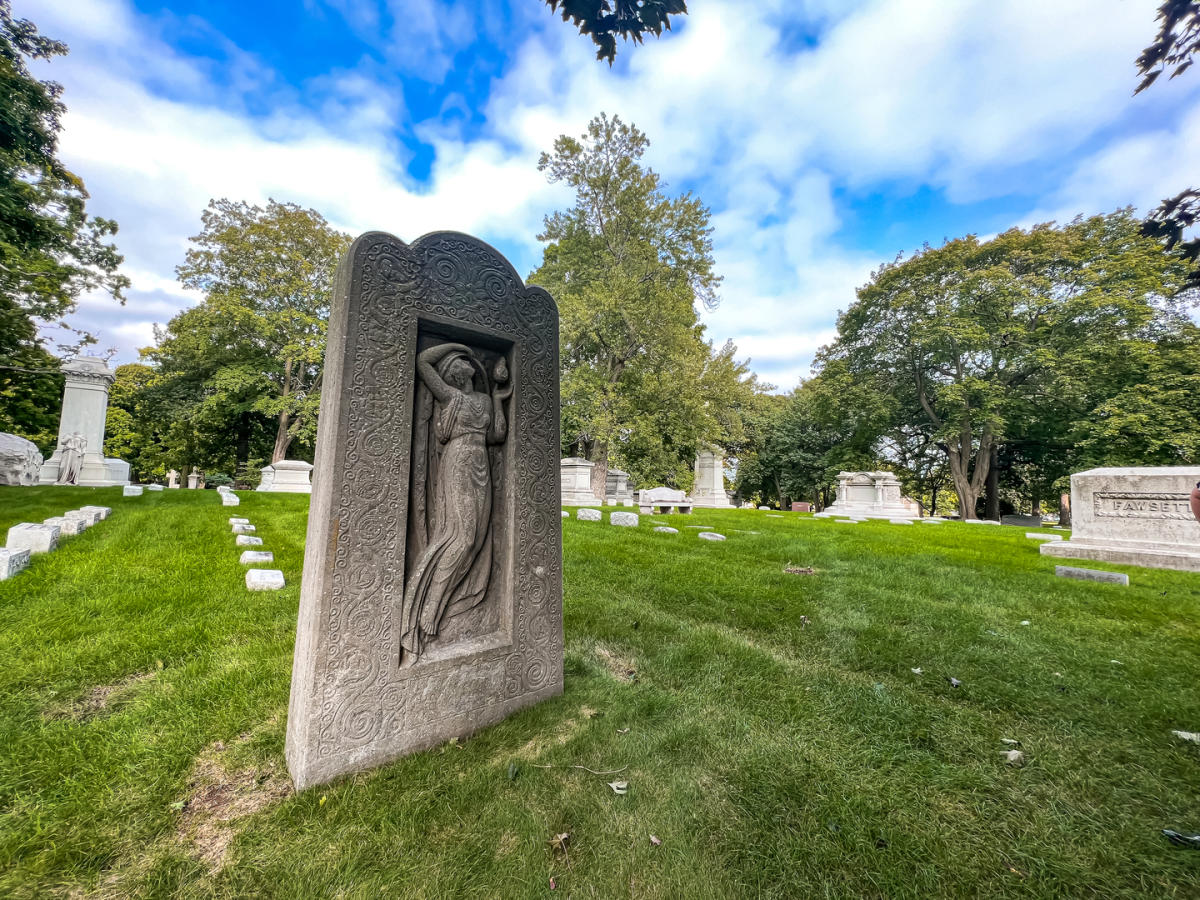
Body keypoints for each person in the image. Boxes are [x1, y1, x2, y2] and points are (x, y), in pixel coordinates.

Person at [401, 343, 511, 661]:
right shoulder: (451, 395)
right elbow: (423, 361)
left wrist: (500, 401)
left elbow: (496, 436)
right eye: (458, 363)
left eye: (465, 361)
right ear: (451, 372)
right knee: (460, 538)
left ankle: (446, 603)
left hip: (481, 463)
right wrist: (457, 345)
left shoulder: (482, 399)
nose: (465, 365)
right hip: (458, 462)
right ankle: (428, 608)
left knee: (475, 541)